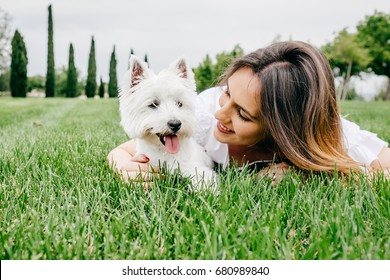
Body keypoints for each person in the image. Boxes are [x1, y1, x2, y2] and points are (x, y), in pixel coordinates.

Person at [107, 41, 390, 183]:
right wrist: (121, 164)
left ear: (284, 129)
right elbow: (123, 151)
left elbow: (383, 169)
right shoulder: (203, 114)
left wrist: (310, 174)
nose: (221, 114)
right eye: (227, 92)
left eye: (242, 113)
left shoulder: (331, 133)